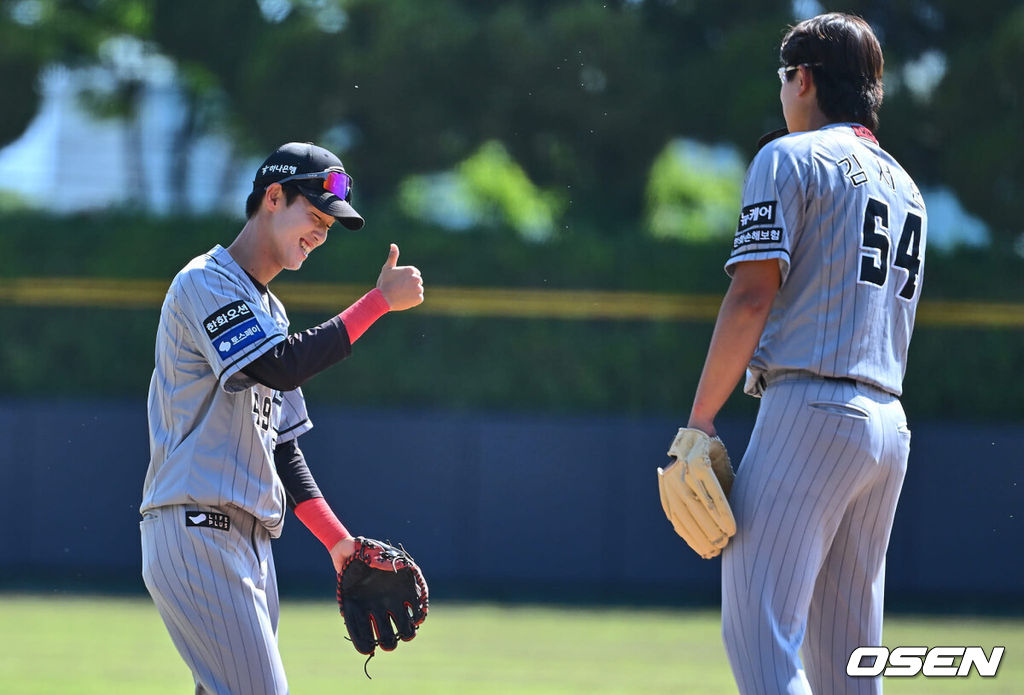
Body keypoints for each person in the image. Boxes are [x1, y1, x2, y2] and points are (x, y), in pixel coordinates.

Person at [685, 14, 926, 694]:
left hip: (811, 412)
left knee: (764, 649)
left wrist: (700, 420)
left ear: (805, 78)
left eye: (784, 77)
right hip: (887, 426)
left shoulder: (789, 157)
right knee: (850, 665)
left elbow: (753, 296)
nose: (783, 93)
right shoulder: (908, 190)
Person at [139, 141, 424, 694]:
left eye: (328, 225)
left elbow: (282, 447)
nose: (320, 234)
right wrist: (377, 302)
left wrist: (339, 544)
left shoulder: (269, 311)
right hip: (197, 528)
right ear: (273, 196)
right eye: (314, 216)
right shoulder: (204, 281)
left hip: (247, 544)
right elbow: (279, 363)